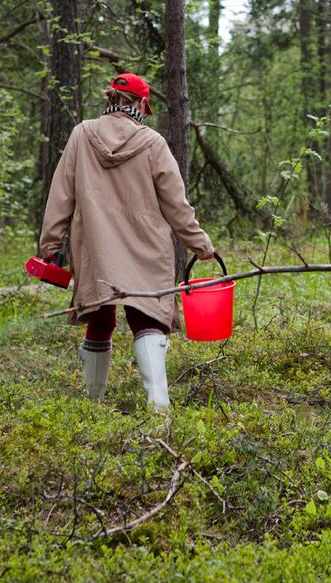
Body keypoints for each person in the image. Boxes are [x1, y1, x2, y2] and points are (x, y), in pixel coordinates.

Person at [39, 73, 214, 408]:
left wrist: (51, 245)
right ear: (143, 103)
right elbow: (176, 205)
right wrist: (200, 243)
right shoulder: (153, 143)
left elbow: (60, 195)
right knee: (147, 316)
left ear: (111, 98)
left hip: (94, 245)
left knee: (100, 315)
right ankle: (158, 403)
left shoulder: (81, 135)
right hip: (145, 245)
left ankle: (94, 403)